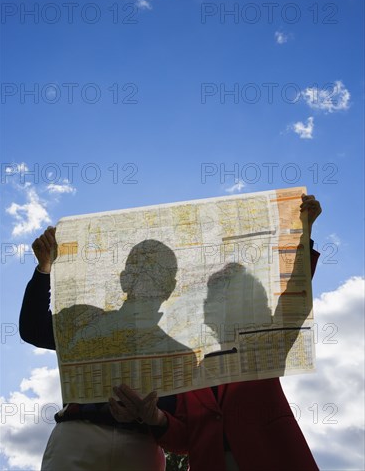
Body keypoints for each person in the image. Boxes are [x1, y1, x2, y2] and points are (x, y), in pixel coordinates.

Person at [108, 194, 322, 471]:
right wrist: (156, 419)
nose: (214, 304)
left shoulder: (266, 348)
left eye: (225, 297)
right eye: (211, 298)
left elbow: (294, 300)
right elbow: (184, 441)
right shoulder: (193, 373)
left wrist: (303, 232)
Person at [19, 227, 166, 471]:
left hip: (143, 443)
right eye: (139, 272)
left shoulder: (181, 345)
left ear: (170, 286)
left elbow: (182, 406)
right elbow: (33, 329)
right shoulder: (83, 321)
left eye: (158, 275)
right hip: (78, 433)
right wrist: (44, 268)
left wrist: (148, 415)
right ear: (124, 278)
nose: (147, 282)